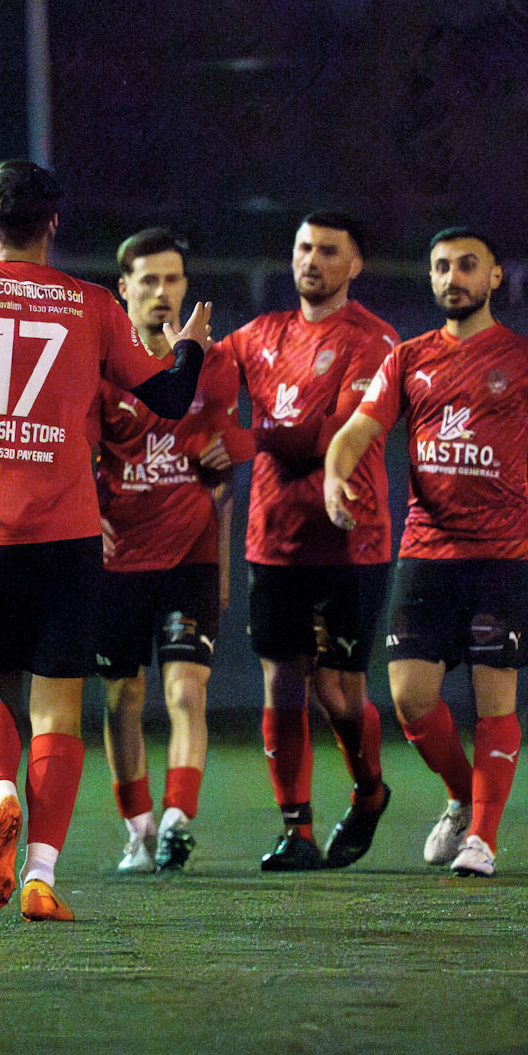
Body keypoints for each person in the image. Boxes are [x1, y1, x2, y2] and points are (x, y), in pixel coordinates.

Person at [0, 160, 210, 922]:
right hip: (68, 532)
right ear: (52, 224)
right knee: (58, 711)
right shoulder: (93, 304)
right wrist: (189, 346)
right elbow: (167, 398)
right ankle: (40, 875)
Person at [325, 225, 528, 879]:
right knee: (410, 700)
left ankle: (481, 838)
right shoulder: (407, 358)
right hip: (425, 554)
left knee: (494, 701)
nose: (451, 277)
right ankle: (461, 798)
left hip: (499, 557)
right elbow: (355, 432)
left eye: (465, 265)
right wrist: (332, 477)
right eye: (440, 267)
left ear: (493, 276)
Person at [212, 215, 400, 871]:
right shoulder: (259, 335)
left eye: (327, 251)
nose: (311, 260)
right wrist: (172, 348)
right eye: (302, 248)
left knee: (339, 693)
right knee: (282, 680)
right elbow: (201, 382)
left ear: (355, 265)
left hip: (351, 539)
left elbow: (330, 436)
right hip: (273, 540)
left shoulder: (374, 340)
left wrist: (248, 438)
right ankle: (296, 829)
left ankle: (369, 791)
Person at [95, 228, 255, 874]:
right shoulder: (101, 366)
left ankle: (175, 821)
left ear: (187, 285)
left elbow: (235, 442)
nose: (162, 292)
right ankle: (136, 829)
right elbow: (71, 447)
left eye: (173, 279)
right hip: (117, 559)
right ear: (123, 288)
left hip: (190, 553)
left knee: (187, 691)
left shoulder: (214, 364)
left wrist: (231, 450)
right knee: (122, 698)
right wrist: (85, 511)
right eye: (149, 280)